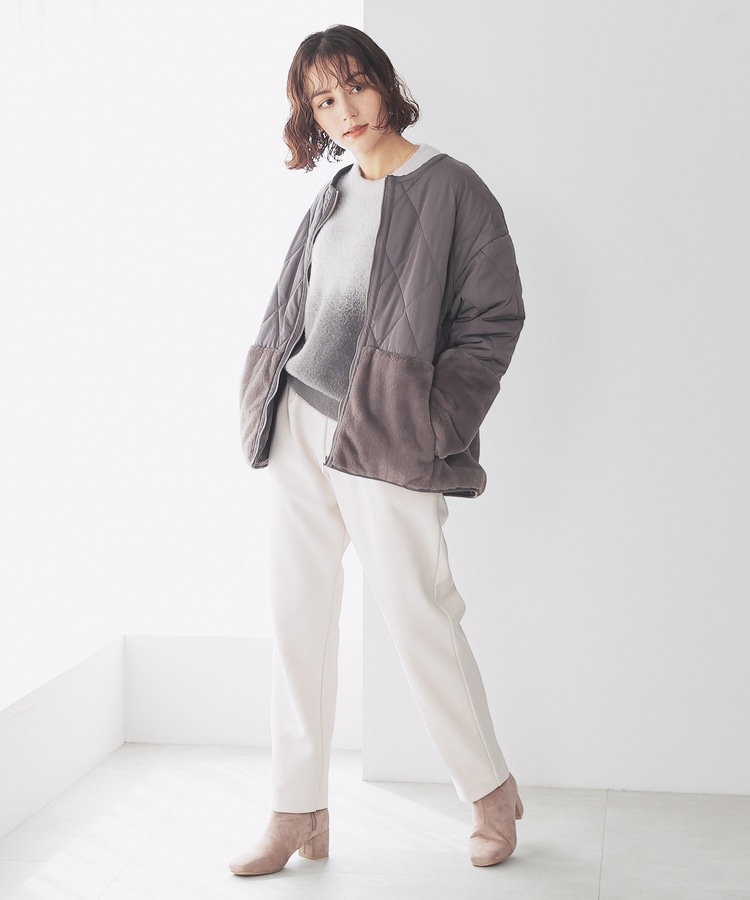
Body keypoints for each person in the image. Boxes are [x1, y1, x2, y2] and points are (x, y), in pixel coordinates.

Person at [230, 23, 526, 876]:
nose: (345, 110)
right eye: (324, 100)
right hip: (301, 420)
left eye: (355, 86)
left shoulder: (453, 188)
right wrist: (264, 388)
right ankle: (297, 811)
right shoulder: (331, 193)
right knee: (297, 617)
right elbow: (294, 303)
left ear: (385, 84)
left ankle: (490, 792)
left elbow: (492, 321)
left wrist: (435, 425)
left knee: (419, 610)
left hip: (387, 434)